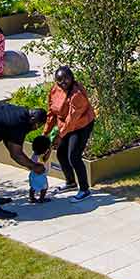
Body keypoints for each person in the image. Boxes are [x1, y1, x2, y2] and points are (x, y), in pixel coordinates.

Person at [43, 66, 96, 201]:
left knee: (74, 156)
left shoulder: (77, 95)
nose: (63, 82)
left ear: (72, 78)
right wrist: (45, 133)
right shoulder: (55, 90)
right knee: (61, 153)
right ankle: (71, 182)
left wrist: (60, 136)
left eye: (66, 78)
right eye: (59, 80)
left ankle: (84, 189)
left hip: (81, 125)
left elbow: (72, 120)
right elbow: (51, 112)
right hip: (65, 125)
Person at [28, 135, 53, 203]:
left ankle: (31, 198)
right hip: (40, 175)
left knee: (33, 187)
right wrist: (50, 150)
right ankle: (41, 199)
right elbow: (46, 158)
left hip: (33, 174)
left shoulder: (34, 155)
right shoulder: (41, 157)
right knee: (44, 188)